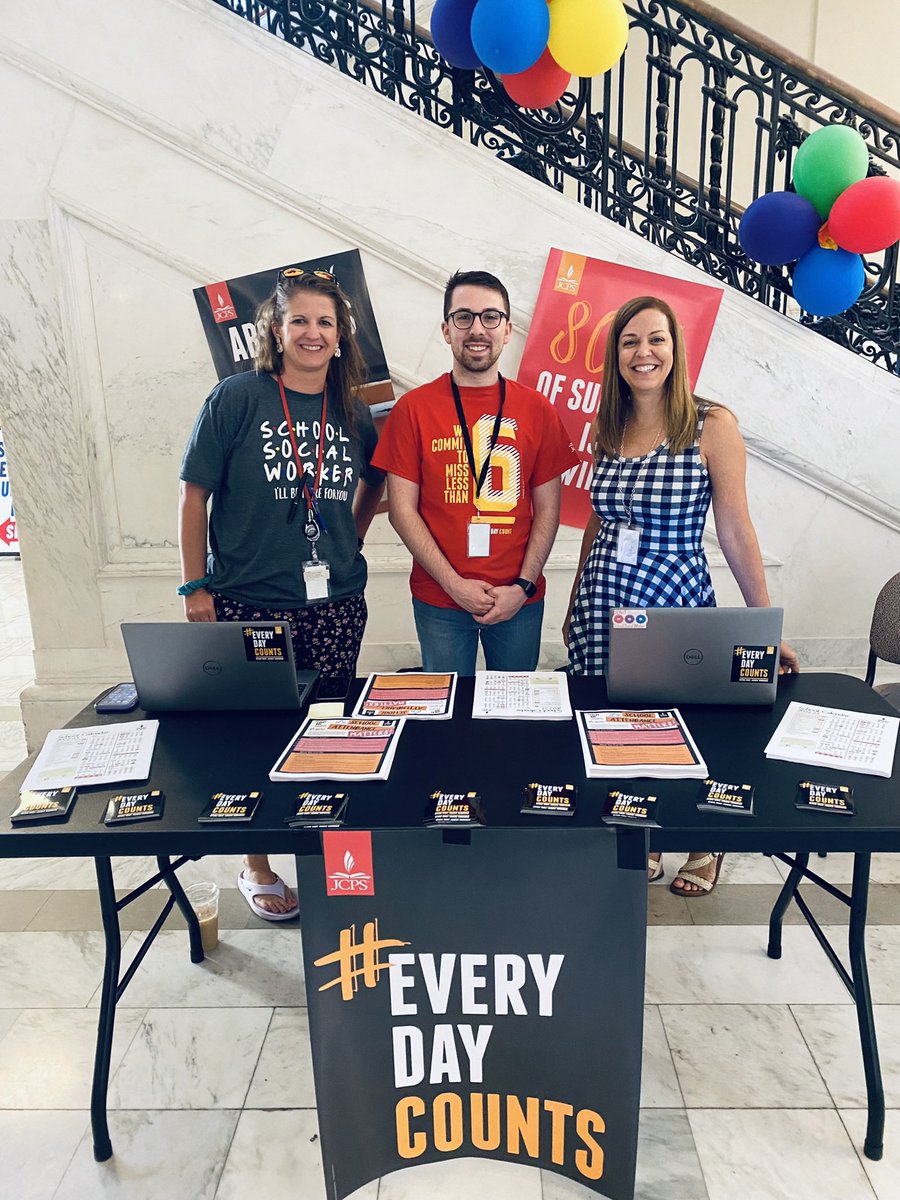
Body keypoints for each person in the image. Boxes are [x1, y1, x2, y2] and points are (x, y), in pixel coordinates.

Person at [565, 295, 799, 896]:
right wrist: (573, 599)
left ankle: (705, 840)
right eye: (629, 341)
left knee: (688, 727)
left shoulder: (710, 423)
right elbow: (597, 521)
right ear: (615, 354)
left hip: (673, 594)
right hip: (606, 597)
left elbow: (736, 529)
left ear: (675, 348)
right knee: (619, 725)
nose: (643, 353)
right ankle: (643, 829)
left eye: (655, 340)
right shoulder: (607, 424)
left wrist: (761, 626)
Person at [178, 266, 385, 919]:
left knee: (327, 737)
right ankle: (256, 864)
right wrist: (194, 585)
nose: (313, 333)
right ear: (275, 328)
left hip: (335, 606)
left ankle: (322, 854)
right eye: (301, 320)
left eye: (326, 322)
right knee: (260, 739)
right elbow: (193, 494)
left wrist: (346, 537)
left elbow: (374, 483)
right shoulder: (236, 398)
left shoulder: (352, 412)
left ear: (341, 335)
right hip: (246, 602)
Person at [372, 269, 577, 674]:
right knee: (447, 713)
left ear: (507, 330)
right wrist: (455, 586)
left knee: (514, 713)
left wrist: (522, 586)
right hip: (439, 597)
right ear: (446, 330)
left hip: (518, 599)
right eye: (463, 317)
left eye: (490, 317)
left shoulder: (538, 411)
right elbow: (401, 511)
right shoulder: (412, 410)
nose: (477, 329)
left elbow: (548, 512)